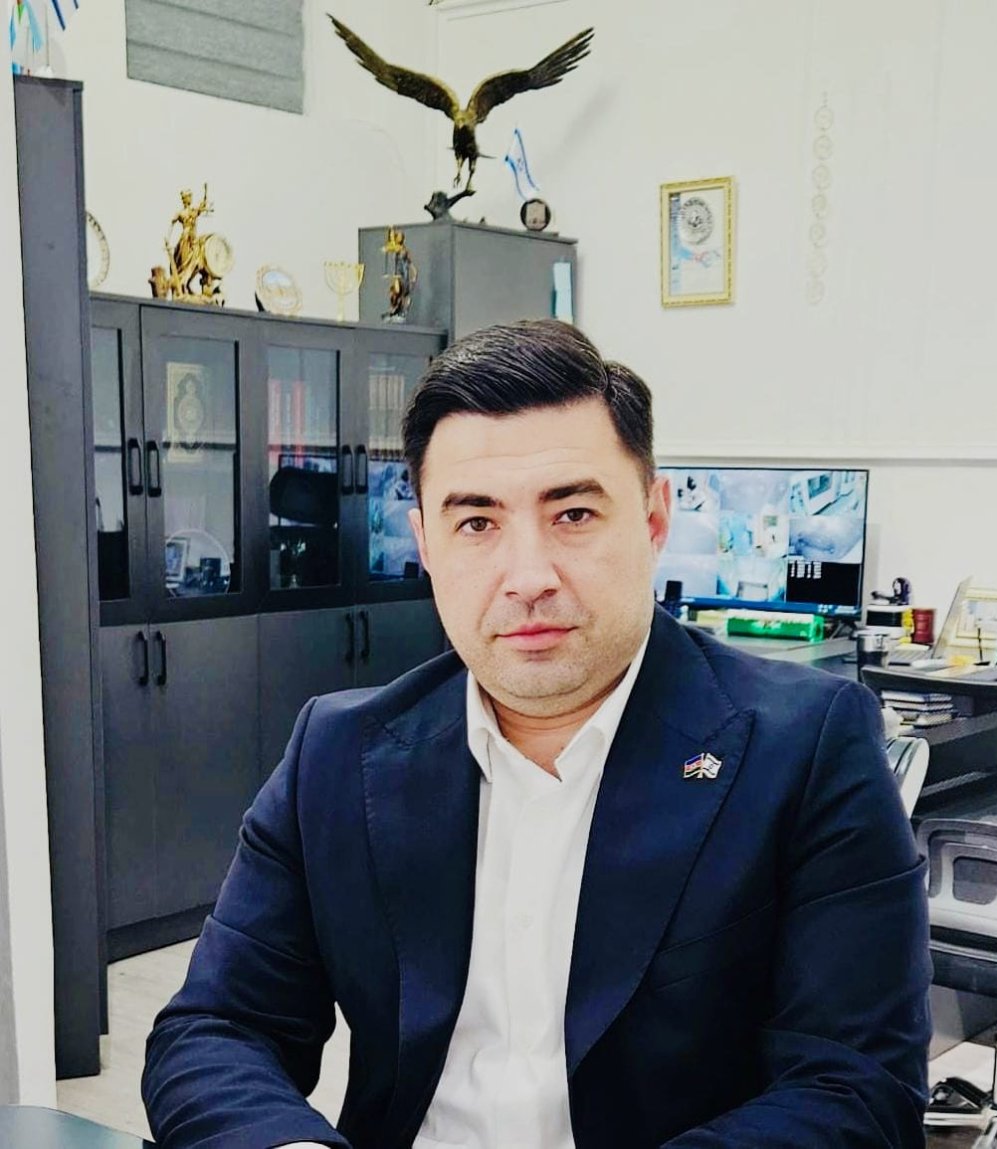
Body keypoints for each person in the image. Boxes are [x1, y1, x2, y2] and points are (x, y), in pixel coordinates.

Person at [143, 319, 932, 1148]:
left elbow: (855, 1086)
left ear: (654, 518)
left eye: (574, 513)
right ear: (425, 543)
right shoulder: (338, 754)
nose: (527, 577)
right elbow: (216, 1028)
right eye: (476, 523)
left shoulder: (806, 748)